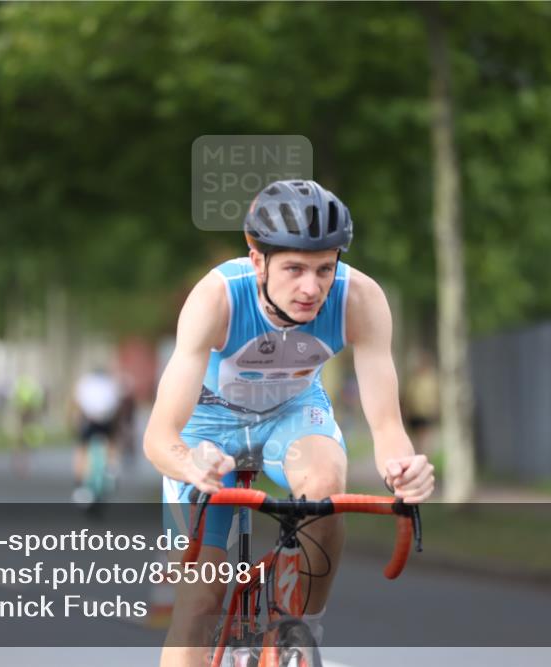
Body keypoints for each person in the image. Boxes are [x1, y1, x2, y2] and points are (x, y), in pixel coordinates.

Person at [143, 180, 435, 665]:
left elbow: (387, 428)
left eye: (325, 268)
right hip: (207, 429)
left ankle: (301, 627)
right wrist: (189, 463)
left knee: (325, 488)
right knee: (200, 603)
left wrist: (404, 468)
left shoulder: (359, 299)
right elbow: (159, 436)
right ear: (257, 260)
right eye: (295, 268)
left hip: (292, 416)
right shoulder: (217, 300)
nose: (311, 287)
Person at [71, 367, 122, 499]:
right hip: (106, 420)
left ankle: (79, 481)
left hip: (89, 420)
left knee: (82, 448)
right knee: (112, 443)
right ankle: (112, 469)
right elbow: (116, 404)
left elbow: (77, 403)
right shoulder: (111, 383)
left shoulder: (85, 382)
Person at [11, 374, 45, 477]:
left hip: (24, 418)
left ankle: (20, 463)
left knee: (22, 443)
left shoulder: (21, 390)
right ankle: (21, 463)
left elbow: (15, 403)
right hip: (26, 418)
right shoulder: (29, 391)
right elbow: (37, 404)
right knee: (23, 442)